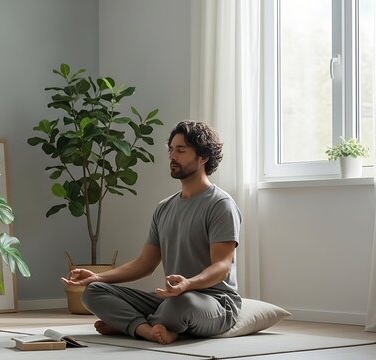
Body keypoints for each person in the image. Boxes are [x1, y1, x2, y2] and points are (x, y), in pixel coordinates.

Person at [61, 120, 242, 345]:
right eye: (170, 150)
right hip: (171, 299)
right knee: (93, 292)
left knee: (178, 306)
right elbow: (144, 264)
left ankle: (130, 325)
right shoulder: (164, 207)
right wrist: (98, 276)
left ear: (203, 157)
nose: (172, 156)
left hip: (214, 302)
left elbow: (221, 267)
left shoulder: (220, 204)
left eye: (180, 150)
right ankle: (146, 330)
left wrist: (187, 284)